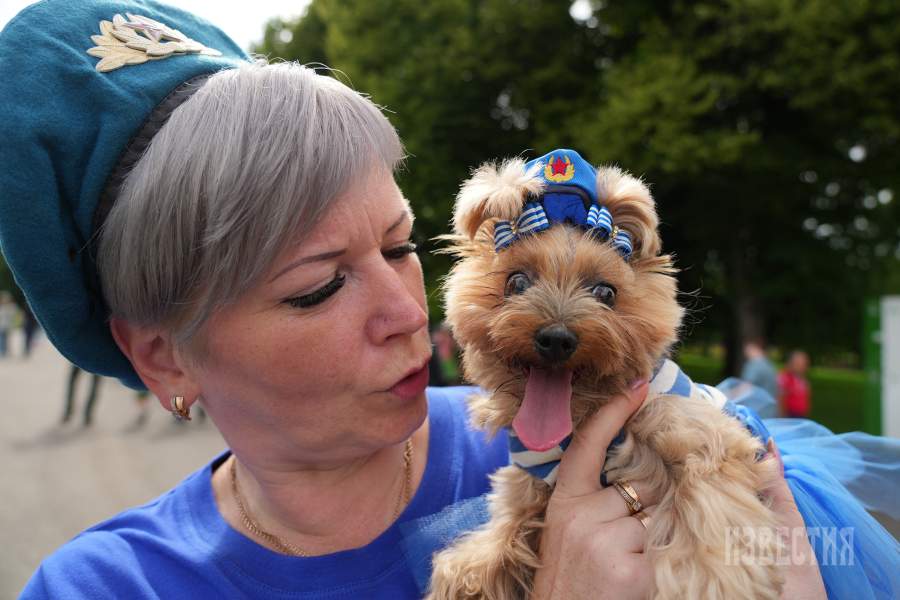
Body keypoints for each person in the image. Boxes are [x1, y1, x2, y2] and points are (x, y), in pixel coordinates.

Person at [0, 2, 894, 598]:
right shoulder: (109, 587)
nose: (404, 311)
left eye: (399, 246)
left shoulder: (590, 431)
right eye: (317, 287)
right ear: (161, 353)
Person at [779, 350, 812, 418]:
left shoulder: (802, 379)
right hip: (790, 415)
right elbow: (781, 398)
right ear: (791, 363)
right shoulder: (786, 378)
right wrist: (783, 417)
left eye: (805, 364)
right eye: (799, 364)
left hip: (801, 415)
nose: (803, 367)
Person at [0, 291, 19, 357]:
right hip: (1, 326)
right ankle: (3, 352)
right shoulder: (1, 307)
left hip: (9, 326)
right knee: (2, 339)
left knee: (8, 339)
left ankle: (7, 351)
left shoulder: (12, 306)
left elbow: (16, 315)